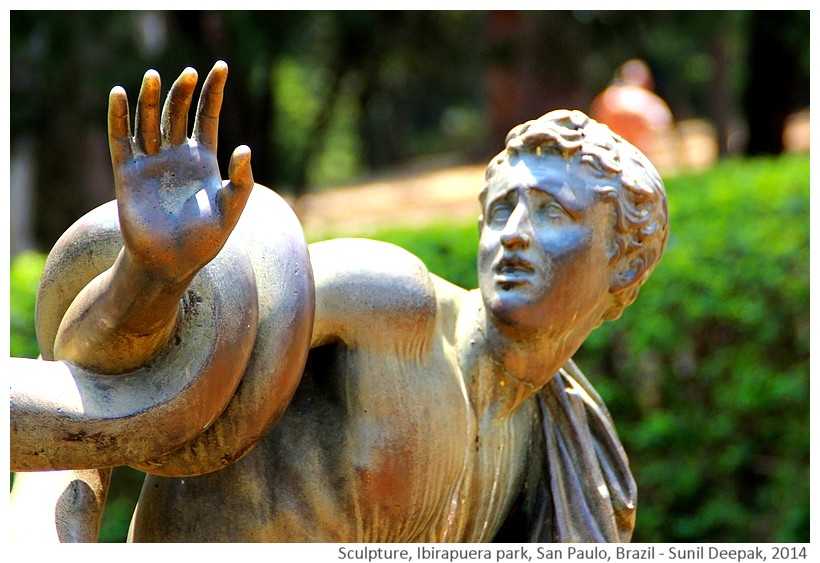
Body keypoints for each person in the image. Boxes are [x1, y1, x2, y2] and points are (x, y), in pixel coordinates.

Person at [9, 62, 668, 543]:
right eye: (501, 208)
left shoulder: (548, 437)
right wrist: (153, 276)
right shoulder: (389, 306)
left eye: (552, 211)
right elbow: (102, 378)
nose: (514, 232)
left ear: (627, 261)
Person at [590, 59, 675, 170]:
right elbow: (661, 124)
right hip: (643, 157)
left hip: (612, 159)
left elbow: (596, 124)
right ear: (647, 80)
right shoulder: (649, 100)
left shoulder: (607, 98)